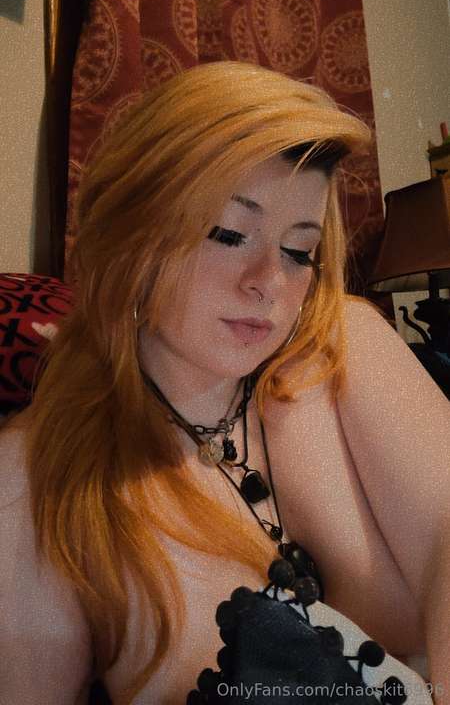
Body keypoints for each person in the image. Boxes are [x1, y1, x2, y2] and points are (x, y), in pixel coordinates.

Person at [0, 61, 449, 705]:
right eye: (228, 234)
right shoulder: (36, 480)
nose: (269, 281)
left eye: (298, 251)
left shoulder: (342, 346)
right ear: (131, 237)